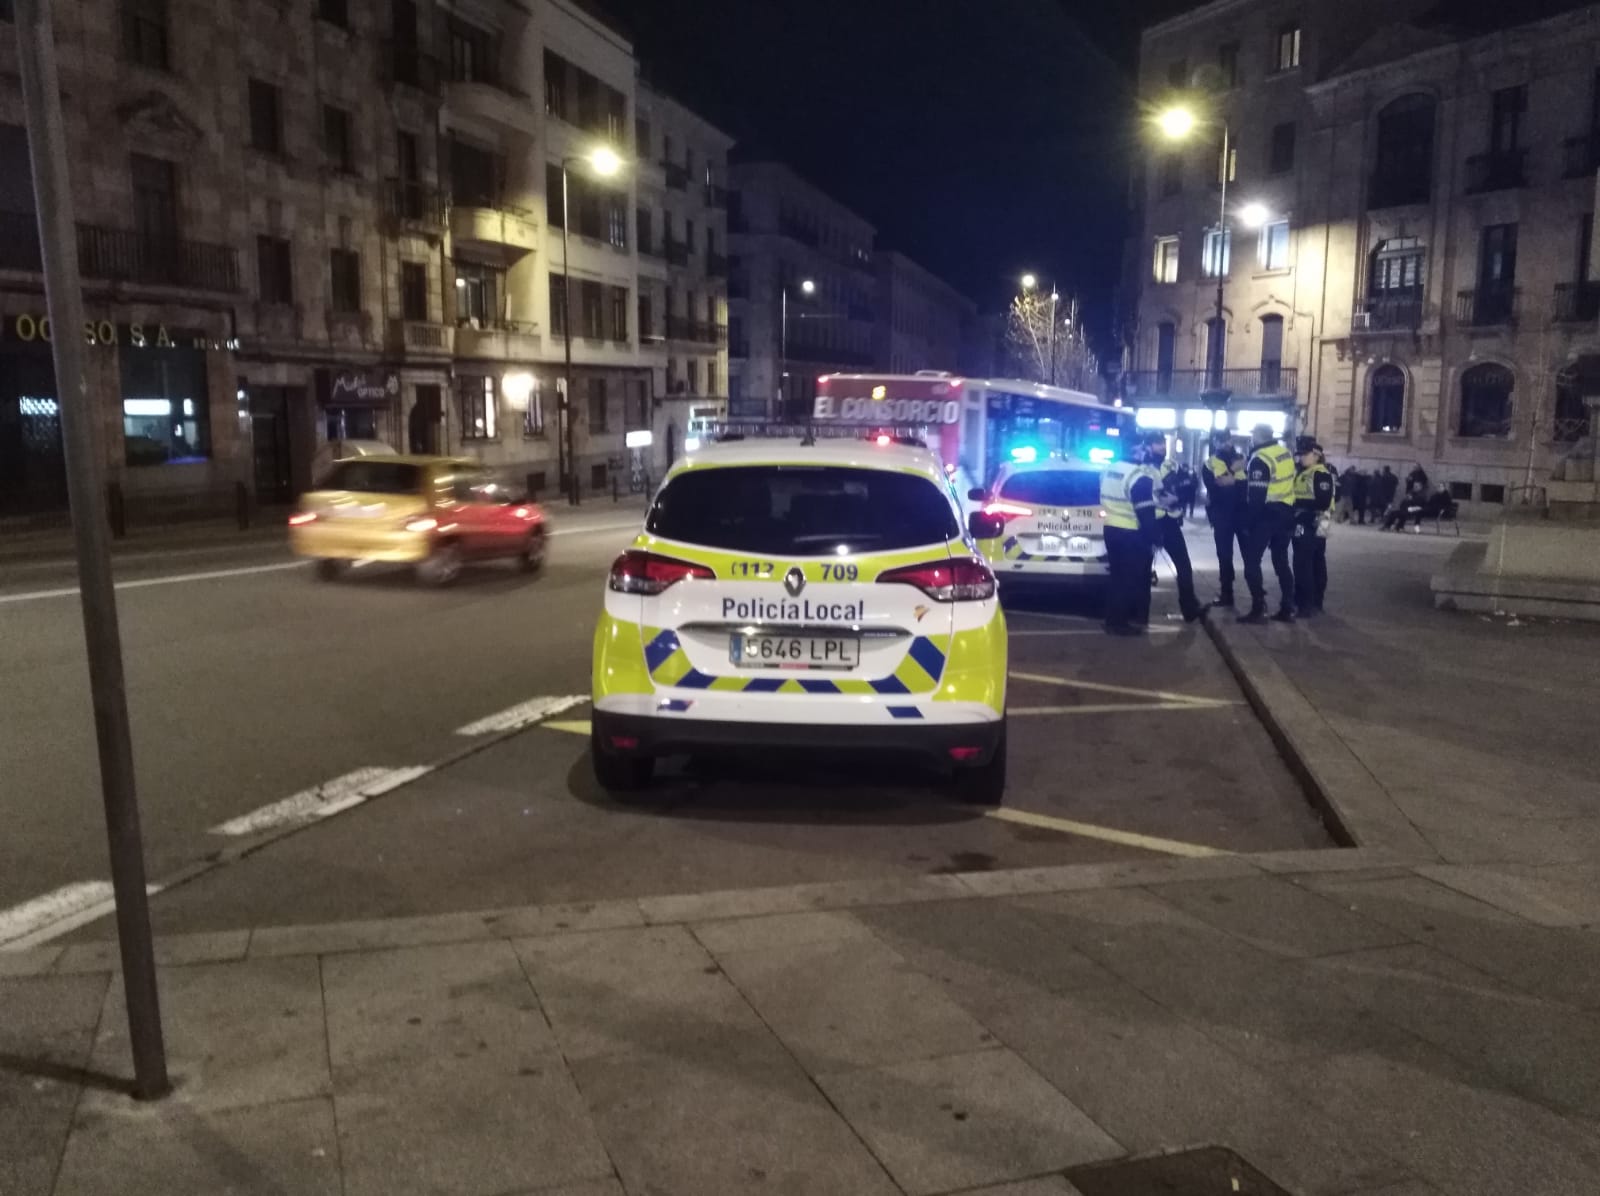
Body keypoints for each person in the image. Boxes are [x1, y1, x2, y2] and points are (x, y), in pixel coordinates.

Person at [1100, 438, 1160, 636]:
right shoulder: (1138, 476)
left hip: (1110, 528)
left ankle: (1112, 619)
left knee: (1117, 577)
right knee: (1130, 579)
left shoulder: (1109, 470)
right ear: (1138, 452)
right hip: (1130, 532)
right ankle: (1120, 623)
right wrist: (1155, 539)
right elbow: (1145, 512)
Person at [1240, 422, 1297, 624]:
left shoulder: (1260, 459)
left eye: (1253, 434)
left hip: (1267, 515)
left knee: (1251, 562)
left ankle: (1258, 606)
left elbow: (1256, 496)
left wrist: (1248, 524)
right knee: (1281, 561)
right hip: (1287, 513)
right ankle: (1287, 606)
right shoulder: (1285, 453)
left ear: (1258, 436)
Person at [1155, 440, 1204, 623]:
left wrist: (1178, 498)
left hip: (1163, 522)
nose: (1161, 448)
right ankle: (1189, 608)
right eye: (1158, 445)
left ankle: (1189, 608)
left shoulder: (1164, 466)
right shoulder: (1150, 468)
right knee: (1181, 566)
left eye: (1161, 445)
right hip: (1157, 522)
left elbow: (1185, 486)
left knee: (1183, 566)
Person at [1291, 437, 1334, 616]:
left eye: (1305, 454)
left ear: (1316, 455)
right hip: (1317, 520)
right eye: (1300, 454)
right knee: (1314, 559)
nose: (1301, 457)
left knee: (1305, 561)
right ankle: (1311, 600)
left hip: (1314, 519)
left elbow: (1323, 501)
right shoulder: (1305, 471)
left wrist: (1297, 504)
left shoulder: (1320, 473)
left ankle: (1307, 602)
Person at [1203, 438, 1247, 606]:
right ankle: (1226, 594)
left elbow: (1247, 485)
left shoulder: (1242, 460)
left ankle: (1258, 599)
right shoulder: (1210, 463)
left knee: (1250, 557)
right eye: (1222, 440)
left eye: (1228, 439)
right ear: (1216, 443)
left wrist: (1230, 479)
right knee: (1224, 556)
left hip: (1242, 514)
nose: (1226, 444)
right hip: (1221, 515)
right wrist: (1231, 472)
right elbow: (1214, 486)